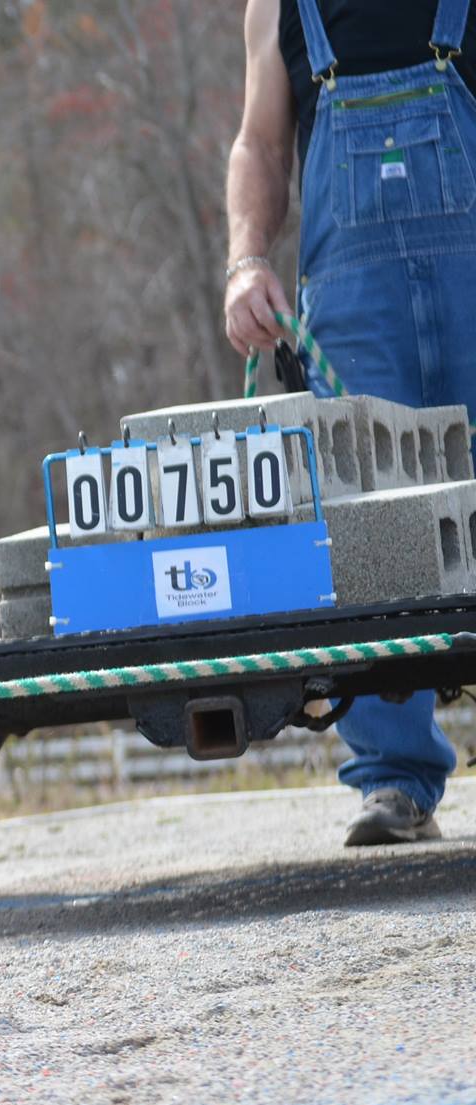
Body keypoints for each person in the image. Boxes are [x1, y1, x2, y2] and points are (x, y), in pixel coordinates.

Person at [227, 0, 473, 845]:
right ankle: (397, 782)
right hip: (355, 310)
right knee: (362, 533)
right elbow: (260, 144)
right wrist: (247, 261)